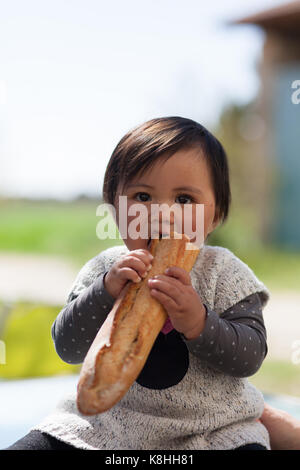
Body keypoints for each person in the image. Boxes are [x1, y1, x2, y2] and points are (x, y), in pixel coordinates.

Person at [6, 116, 271, 450]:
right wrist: (104, 291)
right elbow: (67, 348)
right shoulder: (104, 269)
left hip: (209, 431)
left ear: (215, 216)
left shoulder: (225, 273)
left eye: (184, 199)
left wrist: (200, 323)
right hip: (105, 428)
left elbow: (250, 357)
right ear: (114, 210)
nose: (162, 212)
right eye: (143, 197)